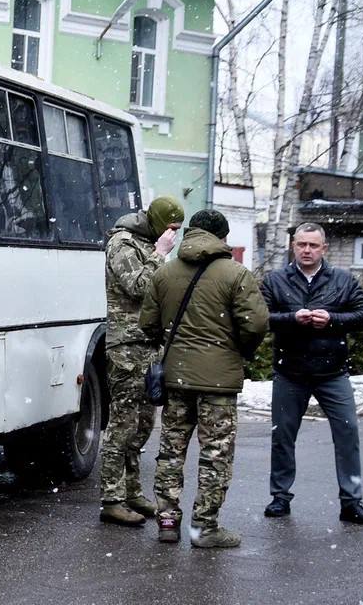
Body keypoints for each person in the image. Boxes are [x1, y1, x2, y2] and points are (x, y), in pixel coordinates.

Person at [139, 209, 268, 547]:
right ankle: (204, 529)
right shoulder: (236, 274)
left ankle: (167, 522)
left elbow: (147, 324)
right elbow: (255, 324)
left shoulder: (165, 273)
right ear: (223, 237)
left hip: (176, 379)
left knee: (170, 452)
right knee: (215, 455)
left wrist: (174, 344)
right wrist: (236, 350)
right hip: (219, 384)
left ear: (191, 232)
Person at [260, 222, 363, 526]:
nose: (307, 250)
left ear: (324, 248)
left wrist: (333, 320)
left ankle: (351, 502)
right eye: (301, 245)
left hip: (332, 372)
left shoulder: (342, 280)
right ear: (293, 246)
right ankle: (280, 497)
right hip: (290, 372)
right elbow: (259, 317)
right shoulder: (275, 280)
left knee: (348, 434)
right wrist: (291, 318)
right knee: (283, 436)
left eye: (313, 245)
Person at [98, 195, 184, 527]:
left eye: (178, 230)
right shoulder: (122, 243)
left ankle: (132, 492)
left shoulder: (147, 242)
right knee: (121, 424)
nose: (173, 236)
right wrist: (160, 254)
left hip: (150, 345)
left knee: (143, 423)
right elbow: (139, 287)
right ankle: (111, 499)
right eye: (170, 229)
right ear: (158, 223)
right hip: (126, 347)